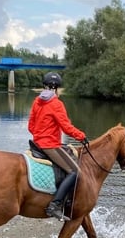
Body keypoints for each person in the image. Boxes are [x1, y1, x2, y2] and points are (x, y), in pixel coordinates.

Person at [28, 72, 88, 220]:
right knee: (75, 172)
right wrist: (82, 136)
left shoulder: (37, 101)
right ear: (57, 88)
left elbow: (31, 126)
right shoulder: (56, 104)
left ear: (45, 86)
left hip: (37, 143)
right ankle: (54, 205)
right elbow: (66, 128)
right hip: (49, 145)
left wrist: (41, 134)